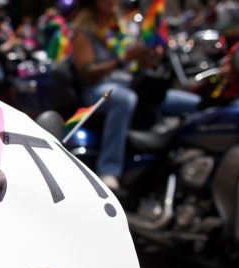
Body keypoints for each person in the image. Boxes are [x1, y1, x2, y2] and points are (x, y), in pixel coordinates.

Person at [70, 0, 201, 190]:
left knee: (193, 103)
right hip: (100, 89)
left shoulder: (121, 27)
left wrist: (147, 56)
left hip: (129, 85)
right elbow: (86, 73)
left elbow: (133, 65)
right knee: (124, 99)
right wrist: (123, 60)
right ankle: (109, 170)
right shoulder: (83, 31)